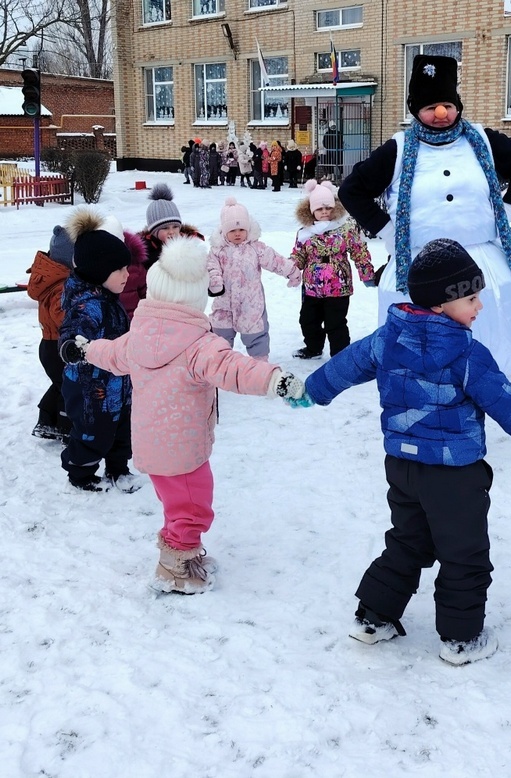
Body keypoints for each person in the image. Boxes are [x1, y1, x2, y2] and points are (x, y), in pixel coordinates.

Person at [291, 239, 511, 665]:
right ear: (442, 304)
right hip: (454, 475)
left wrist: (314, 389)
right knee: (465, 553)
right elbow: (506, 403)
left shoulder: (389, 337)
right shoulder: (465, 352)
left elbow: (346, 364)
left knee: (408, 540)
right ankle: (461, 640)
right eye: (471, 298)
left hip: (402, 466)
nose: (480, 306)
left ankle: (373, 618)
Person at [62, 237, 307, 594]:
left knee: (176, 505)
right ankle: (175, 567)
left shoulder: (138, 335)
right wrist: (274, 379)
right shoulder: (199, 344)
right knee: (193, 508)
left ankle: (181, 551)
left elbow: (110, 354)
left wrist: (86, 349)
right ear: (195, 296)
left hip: (151, 446)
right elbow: (235, 369)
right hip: (184, 450)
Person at [338, 54, 511, 380]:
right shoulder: (398, 149)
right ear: (414, 110)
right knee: (425, 349)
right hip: (419, 265)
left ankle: (484, 388)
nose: (441, 114)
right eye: (429, 106)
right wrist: (390, 233)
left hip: (482, 262)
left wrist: (507, 212)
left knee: (486, 337)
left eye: (448, 104)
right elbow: (351, 190)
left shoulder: (483, 141)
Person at [58, 209, 138, 494]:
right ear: (98, 270)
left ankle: (119, 468)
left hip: (119, 382)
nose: (127, 275)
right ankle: (80, 472)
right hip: (90, 389)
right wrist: (71, 348)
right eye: (121, 270)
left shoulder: (108, 298)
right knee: (93, 434)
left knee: (121, 431)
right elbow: (71, 333)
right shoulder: (86, 305)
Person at [207, 197, 301, 360]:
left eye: (242, 229)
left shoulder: (256, 248)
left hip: (250, 305)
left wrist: (291, 271)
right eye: (232, 230)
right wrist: (215, 281)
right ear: (224, 231)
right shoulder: (217, 251)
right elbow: (210, 267)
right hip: (224, 305)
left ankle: (260, 367)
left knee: (256, 337)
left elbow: (275, 260)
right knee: (219, 338)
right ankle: (218, 366)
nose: (238, 233)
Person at [290, 179, 374, 359]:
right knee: (308, 320)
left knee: (335, 323)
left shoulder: (345, 228)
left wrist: (366, 273)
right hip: (312, 286)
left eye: (328, 208)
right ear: (312, 210)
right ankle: (313, 348)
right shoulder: (305, 232)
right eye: (320, 209)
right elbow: (299, 254)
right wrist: (290, 268)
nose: (325, 212)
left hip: (338, 285)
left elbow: (360, 251)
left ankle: (340, 356)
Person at [26, 225, 75, 441]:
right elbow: (62, 317)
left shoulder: (52, 277)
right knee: (69, 387)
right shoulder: (62, 285)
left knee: (60, 384)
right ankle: (65, 427)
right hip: (57, 347)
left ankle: (46, 420)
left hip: (49, 346)